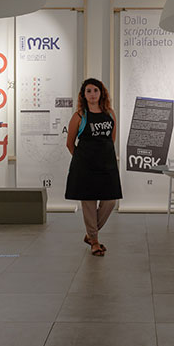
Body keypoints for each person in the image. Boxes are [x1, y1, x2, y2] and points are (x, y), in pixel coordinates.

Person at [65, 78, 122, 256]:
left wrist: (102, 156)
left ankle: (90, 234)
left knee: (110, 201)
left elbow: (111, 139)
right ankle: (95, 242)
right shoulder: (79, 116)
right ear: (83, 95)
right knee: (89, 203)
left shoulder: (110, 113)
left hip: (107, 166)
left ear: (101, 93)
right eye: (88, 91)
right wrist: (82, 160)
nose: (92, 94)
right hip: (85, 167)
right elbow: (70, 143)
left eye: (95, 90)